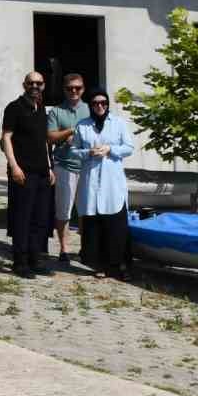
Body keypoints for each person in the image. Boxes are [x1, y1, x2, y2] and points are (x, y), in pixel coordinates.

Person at [74, 88, 136, 279]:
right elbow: (74, 151)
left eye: (103, 103)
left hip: (112, 182)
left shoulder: (118, 123)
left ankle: (118, 266)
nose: (100, 106)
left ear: (107, 104)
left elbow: (129, 148)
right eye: (95, 103)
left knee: (115, 226)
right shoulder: (82, 125)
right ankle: (98, 264)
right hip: (91, 180)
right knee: (93, 226)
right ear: (90, 105)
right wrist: (88, 153)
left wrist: (110, 149)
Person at [2, 71, 56, 278]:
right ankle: (20, 262)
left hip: (42, 172)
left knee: (40, 218)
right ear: (24, 84)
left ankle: (36, 259)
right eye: (31, 83)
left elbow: (43, 140)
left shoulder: (41, 107)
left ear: (43, 86)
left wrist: (49, 166)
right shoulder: (14, 108)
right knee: (22, 217)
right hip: (23, 172)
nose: (35, 86)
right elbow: (6, 138)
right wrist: (14, 166)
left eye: (39, 83)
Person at [46, 73, 88, 263]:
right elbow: (50, 137)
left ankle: (85, 248)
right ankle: (63, 249)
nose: (74, 91)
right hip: (64, 166)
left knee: (86, 211)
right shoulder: (56, 111)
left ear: (83, 89)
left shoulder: (90, 109)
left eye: (77, 88)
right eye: (70, 88)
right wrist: (70, 132)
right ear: (64, 89)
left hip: (87, 168)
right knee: (63, 211)